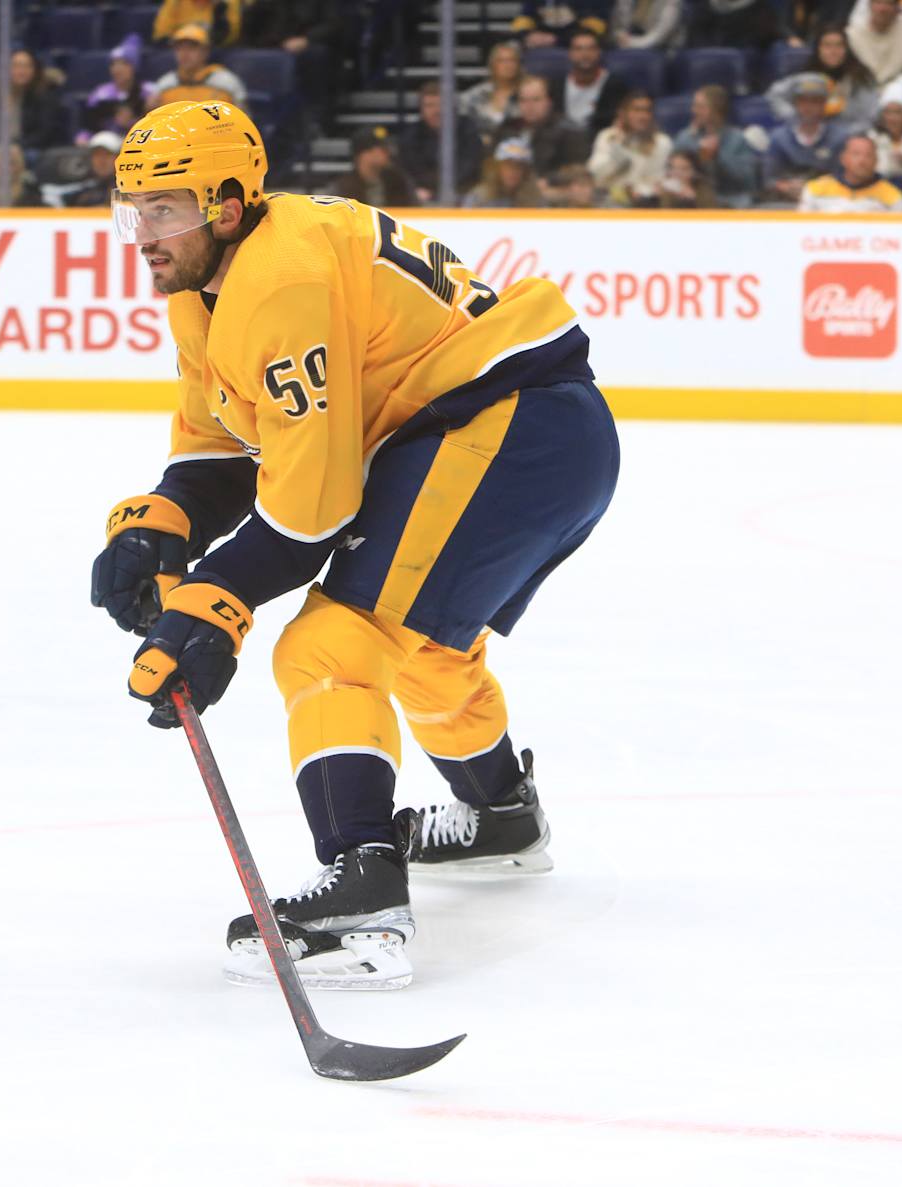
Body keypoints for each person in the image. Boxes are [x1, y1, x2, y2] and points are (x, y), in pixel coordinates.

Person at [94, 100, 616, 990]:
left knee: (331, 645)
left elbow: (312, 511)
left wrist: (212, 604)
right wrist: (163, 523)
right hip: (530, 431)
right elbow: (220, 443)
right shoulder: (208, 285)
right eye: (129, 207)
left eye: (165, 208)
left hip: (504, 426)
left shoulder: (280, 279)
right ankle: (499, 815)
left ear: (225, 203)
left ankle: (363, 891)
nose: (142, 232)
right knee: (418, 647)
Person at [769, 25, 879, 127]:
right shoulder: (806, 76)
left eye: (839, 45)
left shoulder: (861, 77)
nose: (833, 51)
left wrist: (846, 135)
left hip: (849, 138)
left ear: (847, 49)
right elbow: (775, 95)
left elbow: (870, 117)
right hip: (810, 137)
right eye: (827, 45)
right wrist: (796, 119)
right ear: (818, 49)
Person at [765, 73, 847, 203]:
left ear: (824, 104)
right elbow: (768, 179)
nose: (808, 107)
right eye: (803, 101)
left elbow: (845, 179)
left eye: (815, 101)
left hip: (826, 204)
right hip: (785, 205)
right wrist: (785, 187)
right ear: (795, 104)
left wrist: (813, 189)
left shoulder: (839, 138)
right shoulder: (779, 138)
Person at [397, 77, 482, 201]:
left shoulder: (467, 128)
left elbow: (472, 163)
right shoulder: (411, 135)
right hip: (425, 193)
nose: (437, 111)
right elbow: (411, 169)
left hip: (464, 190)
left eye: (442, 105)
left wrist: (447, 186)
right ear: (421, 109)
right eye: (429, 106)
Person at [673, 84, 759, 206]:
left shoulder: (737, 139)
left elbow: (748, 181)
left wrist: (717, 157)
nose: (694, 111)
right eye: (694, 106)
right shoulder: (685, 138)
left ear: (717, 110)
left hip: (730, 199)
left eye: (701, 107)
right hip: (692, 199)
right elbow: (672, 170)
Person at [499, 73, 589, 184]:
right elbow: (492, 163)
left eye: (536, 100)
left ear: (549, 102)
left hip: (551, 191)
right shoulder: (508, 127)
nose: (529, 106)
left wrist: (548, 181)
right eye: (523, 100)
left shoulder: (569, 131)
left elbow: (577, 171)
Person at [587, 89, 668, 205]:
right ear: (622, 113)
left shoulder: (661, 142)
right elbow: (597, 174)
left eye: (647, 111)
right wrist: (618, 146)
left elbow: (656, 181)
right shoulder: (607, 137)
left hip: (644, 204)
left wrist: (634, 190)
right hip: (607, 201)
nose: (643, 116)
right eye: (637, 110)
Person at [0, 48, 68, 149]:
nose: (21, 71)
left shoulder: (45, 95)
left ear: (35, 69)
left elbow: (44, 134)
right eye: (16, 66)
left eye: (27, 66)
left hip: (32, 150)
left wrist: (17, 146)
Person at [798, 131, 902, 210]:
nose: (862, 161)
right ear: (843, 159)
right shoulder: (815, 189)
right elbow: (801, 230)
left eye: (868, 155)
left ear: (876, 161)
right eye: (856, 154)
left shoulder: (893, 197)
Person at [151, 22, 246, 106]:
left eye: (192, 48)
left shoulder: (226, 82)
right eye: (179, 48)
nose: (184, 53)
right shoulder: (165, 83)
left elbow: (243, 119)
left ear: (206, 51)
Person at [561, 28, 629, 139]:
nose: (585, 54)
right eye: (579, 49)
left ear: (599, 52)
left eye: (590, 49)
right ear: (570, 54)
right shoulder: (556, 84)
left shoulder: (615, 86)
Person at [327, 124, 416, 207]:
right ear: (364, 154)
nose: (389, 152)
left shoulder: (398, 182)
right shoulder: (344, 189)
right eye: (383, 149)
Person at [85, 37, 156, 135]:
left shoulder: (149, 91)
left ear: (133, 67)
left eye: (124, 63)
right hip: (108, 140)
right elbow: (89, 126)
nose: (117, 69)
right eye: (113, 64)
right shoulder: (100, 94)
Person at [458, 41, 522, 139]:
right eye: (501, 60)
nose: (507, 65)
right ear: (492, 65)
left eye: (512, 60)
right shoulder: (477, 94)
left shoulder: (527, 94)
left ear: (518, 64)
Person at [464, 135, 545, 206]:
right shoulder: (479, 198)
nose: (513, 171)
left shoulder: (535, 200)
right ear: (497, 168)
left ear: (526, 172)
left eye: (519, 166)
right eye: (508, 165)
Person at [847, 0, 902, 85]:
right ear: (870, 5)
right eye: (878, 2)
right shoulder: (852, 35)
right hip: (862, 88)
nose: (883, 9)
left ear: (897, 7)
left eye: (889, 4)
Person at [509, 0, 609, 47]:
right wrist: (527, 35)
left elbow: (595, 28)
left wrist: (557, 39)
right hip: (540, 43)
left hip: (575, 44)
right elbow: (523, 20)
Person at [67, 128, 121, 206]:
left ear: (118, 157)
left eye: (107, 154)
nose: (101, 161)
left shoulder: (130, 190)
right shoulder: (81, 188)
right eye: (97, 155)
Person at [613, 0, 683, 49]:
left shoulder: (673, 2)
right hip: (629, 39)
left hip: (663, 48)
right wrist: (620, 35)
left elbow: (659, 37)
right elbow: (619, 22)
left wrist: (631, 43)